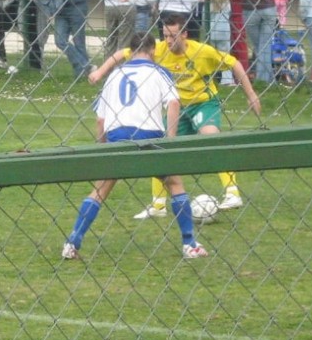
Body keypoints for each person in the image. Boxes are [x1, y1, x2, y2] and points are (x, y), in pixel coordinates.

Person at [89, 14, 261, 218]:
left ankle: (232, 193)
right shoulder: (158, 49)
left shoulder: (202, 52)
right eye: (165, 36)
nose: (168, 41)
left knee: (211, 137)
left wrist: (251, 95)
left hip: (202, 104)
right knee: (158, 147)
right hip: (177, 109)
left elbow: (234, 64)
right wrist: (100, 72)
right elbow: (121, 54)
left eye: (173, 36)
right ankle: (158, 206)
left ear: (185, 35)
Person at [62, 32, 208, 260]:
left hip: (117, 136)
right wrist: (169, 141)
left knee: (101, 188)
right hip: (149, 135)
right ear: (152, 50)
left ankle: (72, 242)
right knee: (174, 182)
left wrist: (103, 146)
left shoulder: (114, 74)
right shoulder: (159, 72)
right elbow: (173, 103)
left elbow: (100, 119)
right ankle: (190, 244)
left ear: (131, 50)